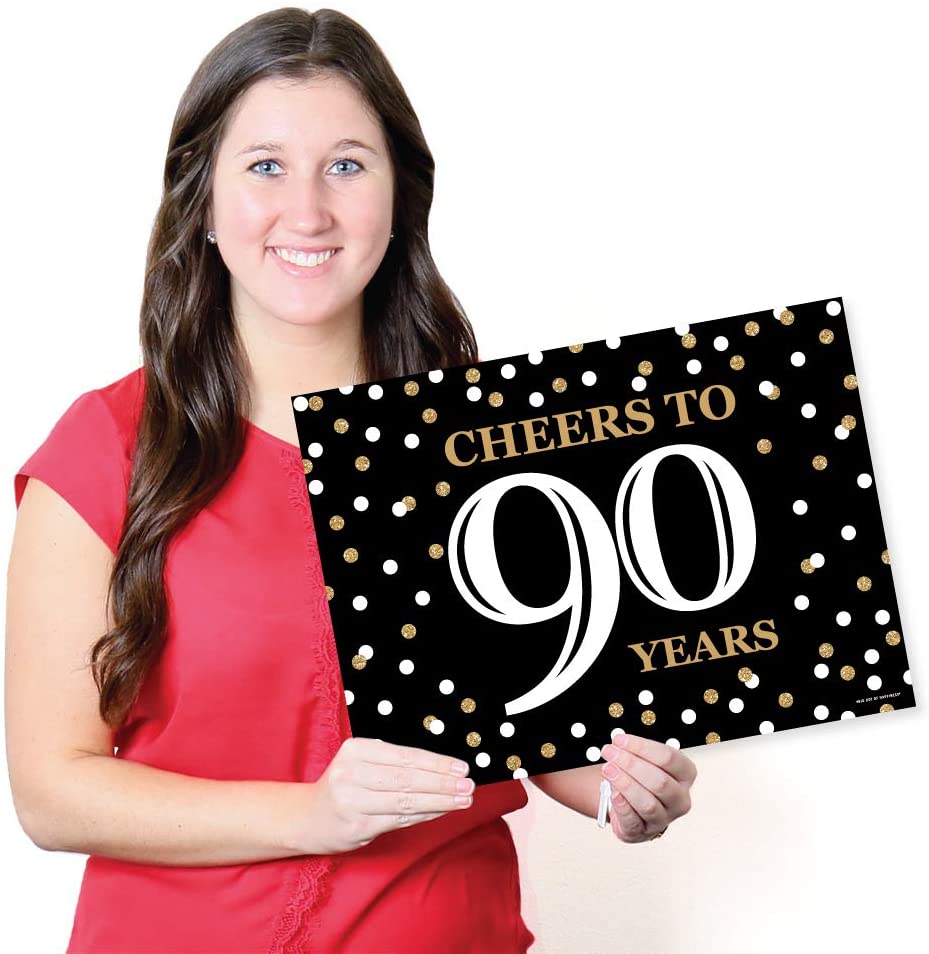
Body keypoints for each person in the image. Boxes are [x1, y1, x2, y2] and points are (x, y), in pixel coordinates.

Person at [5, 7, 697, 952]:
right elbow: (51, 790)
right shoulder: (106, 448)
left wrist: (626, 785)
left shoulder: (491, 442)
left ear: (400, 195)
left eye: (345, 165)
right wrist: (312, 814)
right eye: (264, 166)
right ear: (201, 200)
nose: (307, 212)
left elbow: (542, 728)